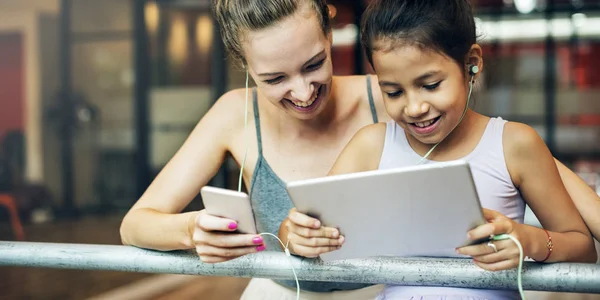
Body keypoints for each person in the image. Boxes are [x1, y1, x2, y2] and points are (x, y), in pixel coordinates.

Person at [120, 0, 598, 298]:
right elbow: (135, 224)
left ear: (331, 33)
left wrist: (542, 241)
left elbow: (542, 181)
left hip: (377, 291)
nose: (303, 92)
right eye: (274, 78)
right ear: (243, 65)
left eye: (313, 64)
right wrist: (193, 231)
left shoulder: (395, 93)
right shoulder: (232, 114)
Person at [283, 0, 597, 299]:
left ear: (471, 63)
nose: (414, 107)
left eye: (431, 85)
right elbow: (297, 226)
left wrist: (529, 240)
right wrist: (294, 236)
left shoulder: (514, 144)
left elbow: (584, 249)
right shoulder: (371, 146)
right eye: (393, 92)